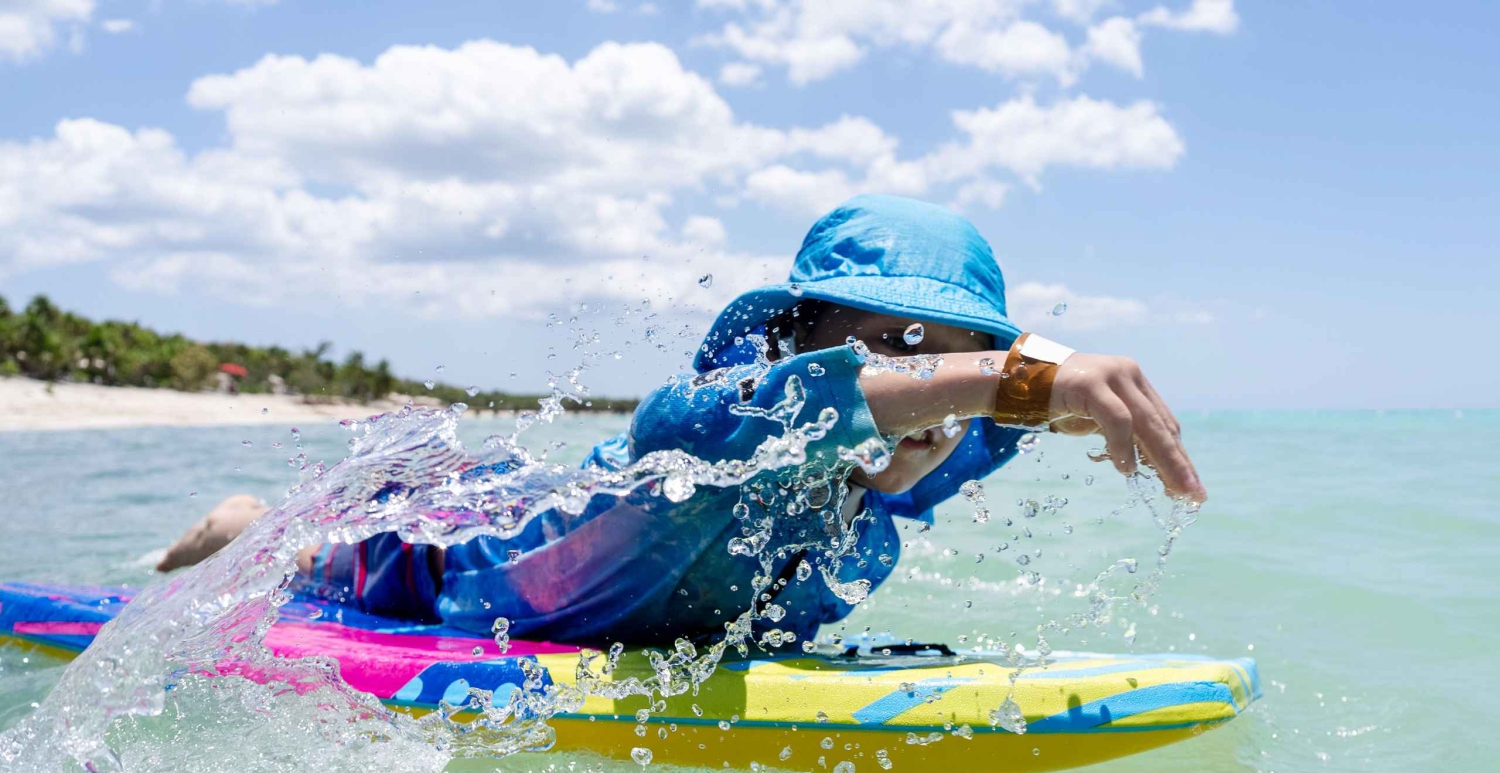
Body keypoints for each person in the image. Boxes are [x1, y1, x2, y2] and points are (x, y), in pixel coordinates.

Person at [157, 194, 1203, 648]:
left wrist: (1046, 405)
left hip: (585, 564)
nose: (943, 390)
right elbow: (812, 407)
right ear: (800, 341)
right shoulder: (711, 432)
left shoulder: (918, 461)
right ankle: (246, 520)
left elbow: (974, 421)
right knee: (320, 549)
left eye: (958, 355)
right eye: (896, 343)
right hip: (437, 569)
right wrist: (1019, 376)